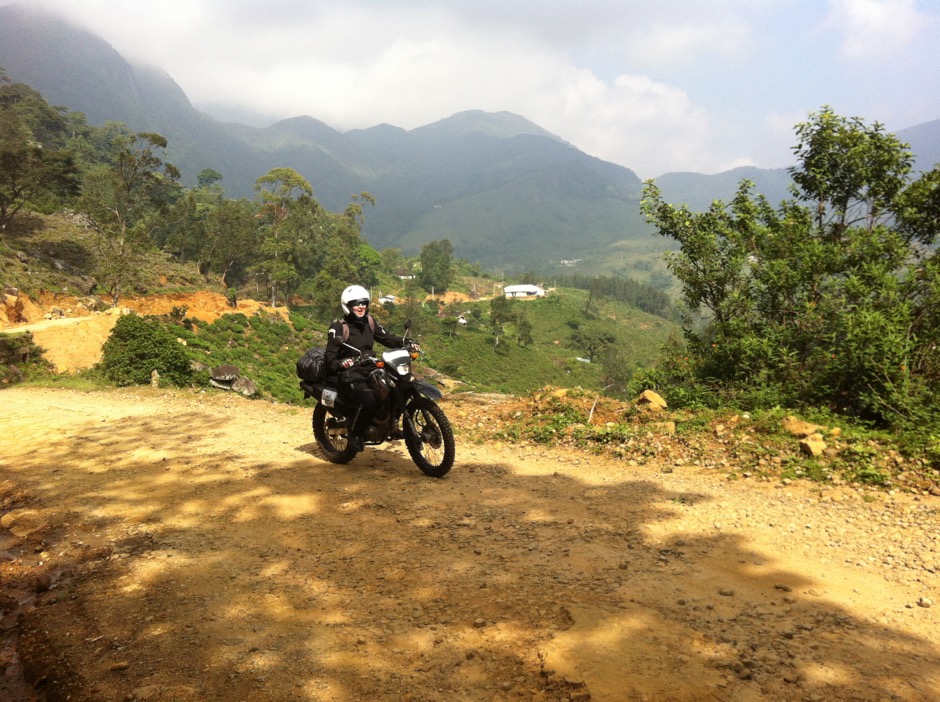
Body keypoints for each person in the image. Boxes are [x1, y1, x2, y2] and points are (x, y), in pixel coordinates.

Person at [323, 285, 416, 452]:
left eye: (364, 303)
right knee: (369, 399)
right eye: (356, 304)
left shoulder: (370, 321)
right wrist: (347, 362)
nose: (361, 307)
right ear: (347, 306)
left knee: (402, 387)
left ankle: (392, 424)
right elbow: (330, 359)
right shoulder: (338, 327)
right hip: (348, 374)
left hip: (370, 368)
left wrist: (405, 341)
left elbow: (386, 338)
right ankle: (355, 434)